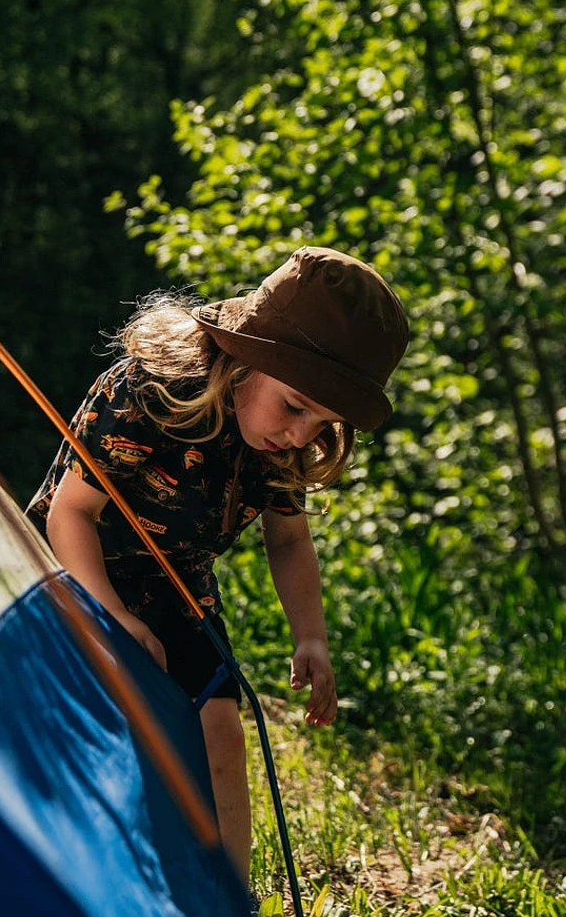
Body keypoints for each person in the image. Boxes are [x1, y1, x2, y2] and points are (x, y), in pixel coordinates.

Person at [26, 245, 409, 883]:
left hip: (179, 582)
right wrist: (113, 616)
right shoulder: (150, 390)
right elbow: (69, 515)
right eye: (294, 406)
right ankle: (81, 876)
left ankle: (228, 906)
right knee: (106, 720)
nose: (301, 435)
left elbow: (287, 542)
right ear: (245, 361)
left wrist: (310, 635)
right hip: (72, 568)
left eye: (324, 423)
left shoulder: (279, 449)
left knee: (219, 728)